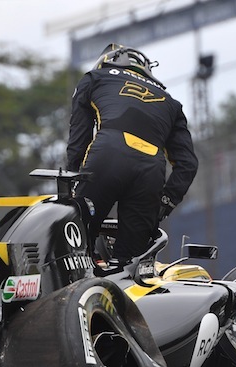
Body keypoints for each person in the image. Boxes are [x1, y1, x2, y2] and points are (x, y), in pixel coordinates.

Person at [67, 43, 199, 267]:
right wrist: (163, 204)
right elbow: (188, 164)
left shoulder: (95, 77)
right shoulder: (171, 102)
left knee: (75, 248)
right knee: (130, 266)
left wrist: (71, 187)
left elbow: (78, 142)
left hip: (107, 155)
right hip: (151, 171)